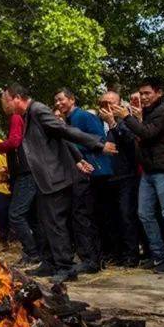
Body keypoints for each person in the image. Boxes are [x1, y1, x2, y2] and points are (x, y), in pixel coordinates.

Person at [2, 84, 114, 284]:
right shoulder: (28, 115)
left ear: (17, 97)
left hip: (55, 177)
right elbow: (60, 139)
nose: (4, 105)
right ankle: (49, 262)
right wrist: (79, 159)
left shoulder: (38, 110)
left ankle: (66, 267)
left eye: (5, 100)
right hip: (43, 179)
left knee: (55, 224)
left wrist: (97, 144)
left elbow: (64, 131)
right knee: (44, 223)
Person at [110, 77, 164, 273]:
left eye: (147, 93)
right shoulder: (148, 110)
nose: (143, 97)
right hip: (148, 170)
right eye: (141, 93)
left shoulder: (163, 110)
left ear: (159, 93)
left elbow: (147, 133)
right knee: (144, 214)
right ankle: (158, 254)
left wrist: (127, 117)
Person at [55, 87, 109, 274]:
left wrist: (76, 150)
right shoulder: (67, 120)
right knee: (80, 215)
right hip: (76, 173)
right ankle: (92, 257)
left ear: (72, 99)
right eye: (56, 101)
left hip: (89, 172)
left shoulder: (84, 116)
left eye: (61, 99)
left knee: (83, 215)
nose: (58, 103)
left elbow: (99, 139)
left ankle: (91, 259)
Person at [0, 104, 39, 264]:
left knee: (12, 215)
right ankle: (35, 252)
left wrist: (3, 167)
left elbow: (13, 142)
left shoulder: (15, 118)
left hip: (3, 186)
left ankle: (33, 252)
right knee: (21, 215)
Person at [97, 90, 141, 266]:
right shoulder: (95, 123)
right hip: (105, 176)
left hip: (125, 175)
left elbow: (130, 142)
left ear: (119, 104)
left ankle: (132, 254)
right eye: (103, 103)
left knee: (126, 215)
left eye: (111, 103)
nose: (107, 107)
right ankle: (116, 253)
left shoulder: (126, 121)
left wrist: (113, 123)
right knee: (110, 217)